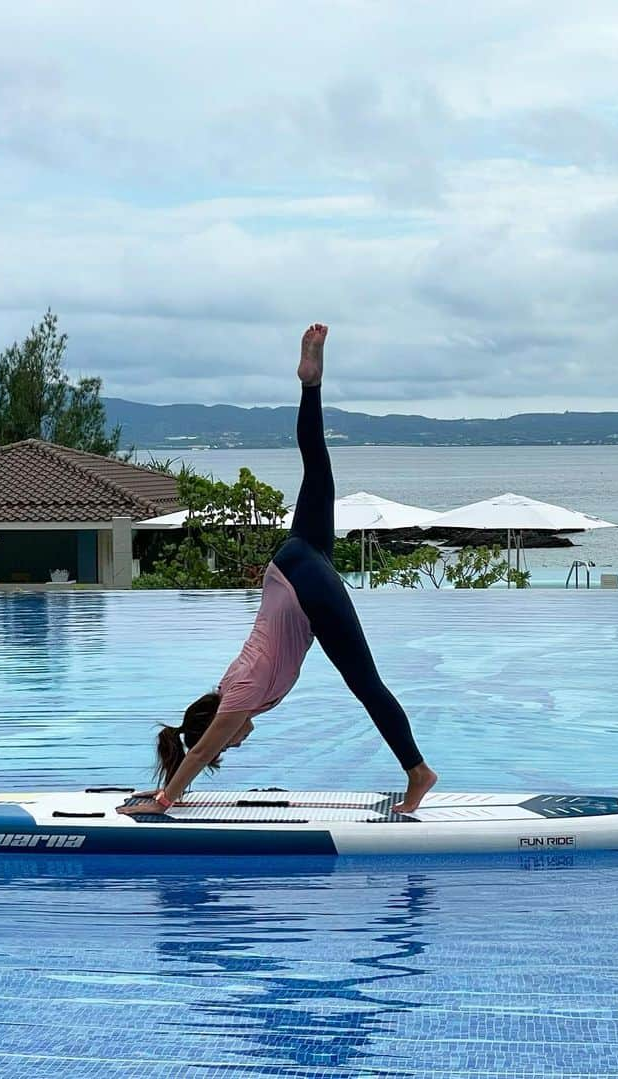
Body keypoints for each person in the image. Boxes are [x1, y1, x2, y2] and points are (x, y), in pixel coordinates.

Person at [117, 324, 438, 818]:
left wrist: (163, 800)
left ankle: (418, 772)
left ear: (215, 726)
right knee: (317, 468)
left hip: (305, 586)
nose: (237, 744)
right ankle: (311, 383)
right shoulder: (233, 688)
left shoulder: (237, 698)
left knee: (366, 683)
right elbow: (203, 746)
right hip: (296, 559)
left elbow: (200, 752)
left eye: (230, 744)